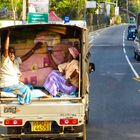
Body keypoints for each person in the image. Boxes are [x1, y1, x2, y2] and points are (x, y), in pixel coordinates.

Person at [0, 31, 43, 104]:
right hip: (7, 86)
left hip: (15, 85)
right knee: (26, 89)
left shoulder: (16, 62)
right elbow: (6, 49)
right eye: (10, 52)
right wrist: (8, 35)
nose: (12, 54)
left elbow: (26, 56)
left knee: (30, 86)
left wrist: (35, 48)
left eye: (13, 52)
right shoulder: (5, 61)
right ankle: (25, 104)